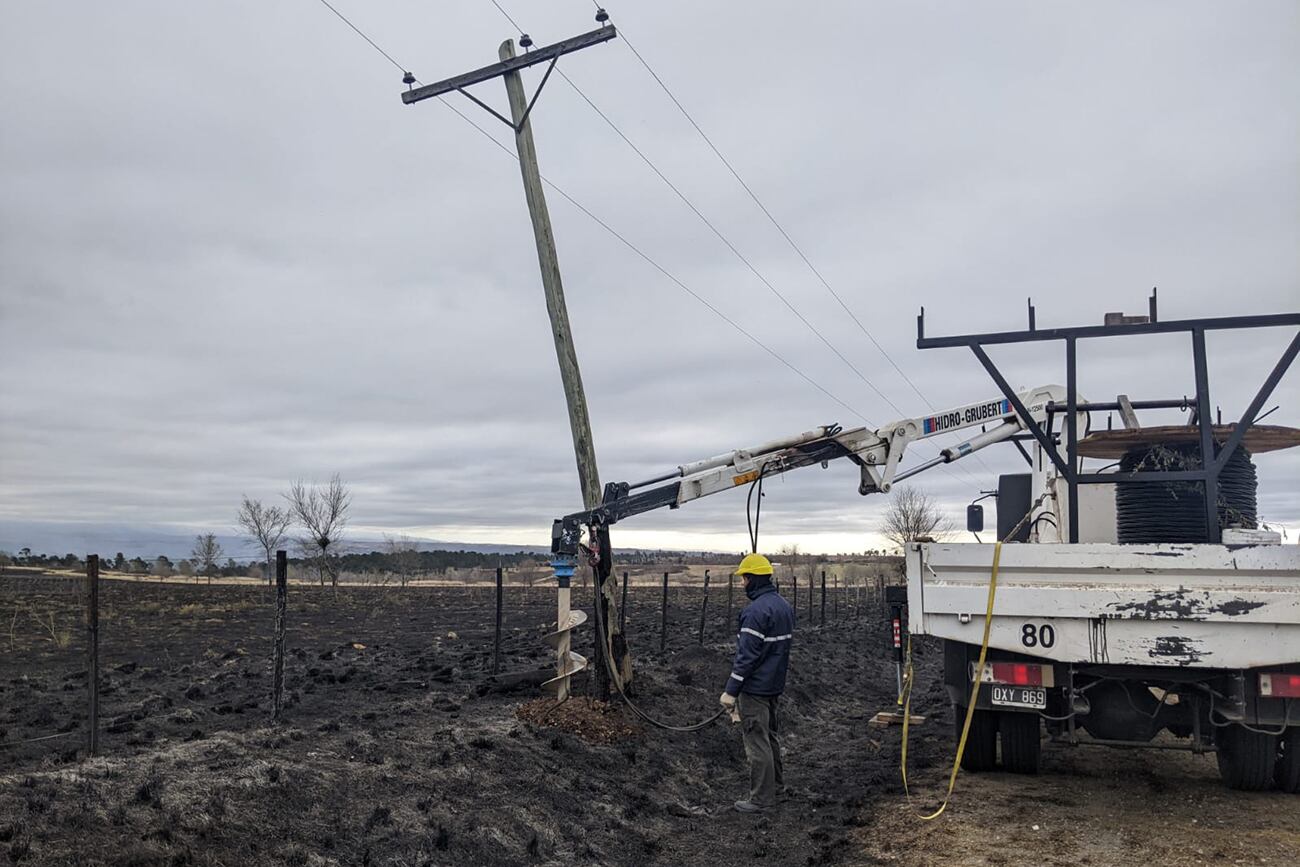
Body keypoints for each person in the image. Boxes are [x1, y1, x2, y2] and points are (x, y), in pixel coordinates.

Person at [719, 553, 795, 813]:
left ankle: (761, 799)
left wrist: (731, 692)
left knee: (756, 741)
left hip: (755, 689)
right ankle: (778, 789)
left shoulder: (754, 613)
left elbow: (746, 658)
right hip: (774, 685)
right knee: (770, 737)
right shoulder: (783, 606)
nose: (742, 584)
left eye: (744, 579)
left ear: (752, 579)